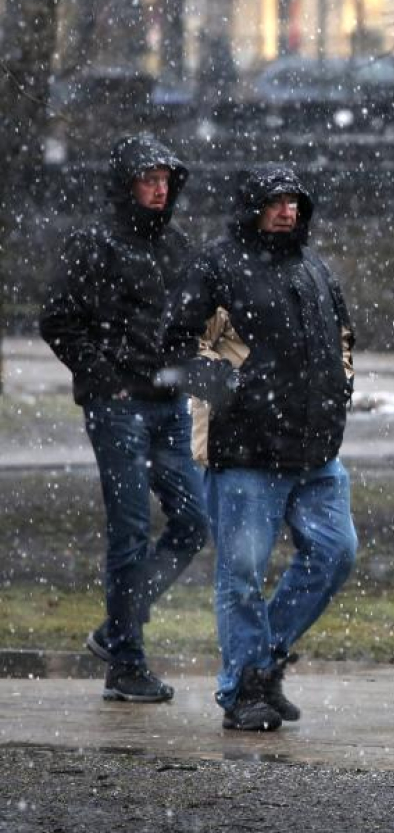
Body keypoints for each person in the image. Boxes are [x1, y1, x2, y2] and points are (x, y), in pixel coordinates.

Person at [162, 166, 356, 731]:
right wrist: (236, 392)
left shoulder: (315, 267)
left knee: (336, 553)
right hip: (245, 452)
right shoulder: (216, 266)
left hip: (317, 451)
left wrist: (341, 383)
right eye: (276, 202)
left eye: (294, 202)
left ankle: (259, 666)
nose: (287, 212)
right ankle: (242, 689)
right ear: (252, 206)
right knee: (241, 573)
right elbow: (177, 344)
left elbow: (344, 336)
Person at [39, 134, 209, 703]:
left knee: (192, 521)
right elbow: (59, 319)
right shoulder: (94, 245)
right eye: (148, 179)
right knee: (130, 530)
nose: (159, 189)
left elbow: (190, 323)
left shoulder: (178, 247)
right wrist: (104, 378)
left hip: (165, 404)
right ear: (126, 183)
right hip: (118, 408)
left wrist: (189, 374)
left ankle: (118, 630)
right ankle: (127, 661)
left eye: (165, 179)